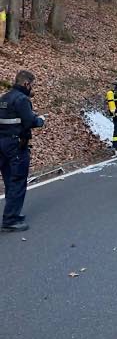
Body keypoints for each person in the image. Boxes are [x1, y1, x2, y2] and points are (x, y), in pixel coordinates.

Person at [0, 70, 45, 232]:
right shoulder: (21, 99)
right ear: (26, 84)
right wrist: (40, 121)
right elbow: (29, 121)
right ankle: (10, 220)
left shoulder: (3, 98)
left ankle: (11, 214)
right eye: (32, 85)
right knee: (18, 180)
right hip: (16, 145)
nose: (33, 88)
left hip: (2, 144)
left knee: (10, 180)